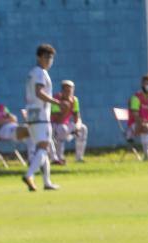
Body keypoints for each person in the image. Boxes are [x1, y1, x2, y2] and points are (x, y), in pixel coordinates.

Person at [23, 44, 61, 192]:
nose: (49, 60)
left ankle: (47, 181)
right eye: (46, 57)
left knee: (42, 147)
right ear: (38, 57)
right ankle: (29, 175)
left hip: (32, 112)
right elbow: (39, 92)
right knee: (44, 147)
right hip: (40, 114)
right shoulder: (40, 73)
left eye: (51, 58)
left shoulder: (33, 72)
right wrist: (55, 102)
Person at [50, 80, 88, 164]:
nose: (68, 92)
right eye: (66, 90)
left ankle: (79, 157)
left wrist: (77, 126)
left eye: (70, 90)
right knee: (62, 128)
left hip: (66, 124)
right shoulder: (56, 99)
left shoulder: (74, 100)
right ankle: (59, 157)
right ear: (62, 90)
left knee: (83, 128)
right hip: (54, 125)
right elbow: (57, 119)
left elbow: (77, 117)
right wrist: (66, 108)